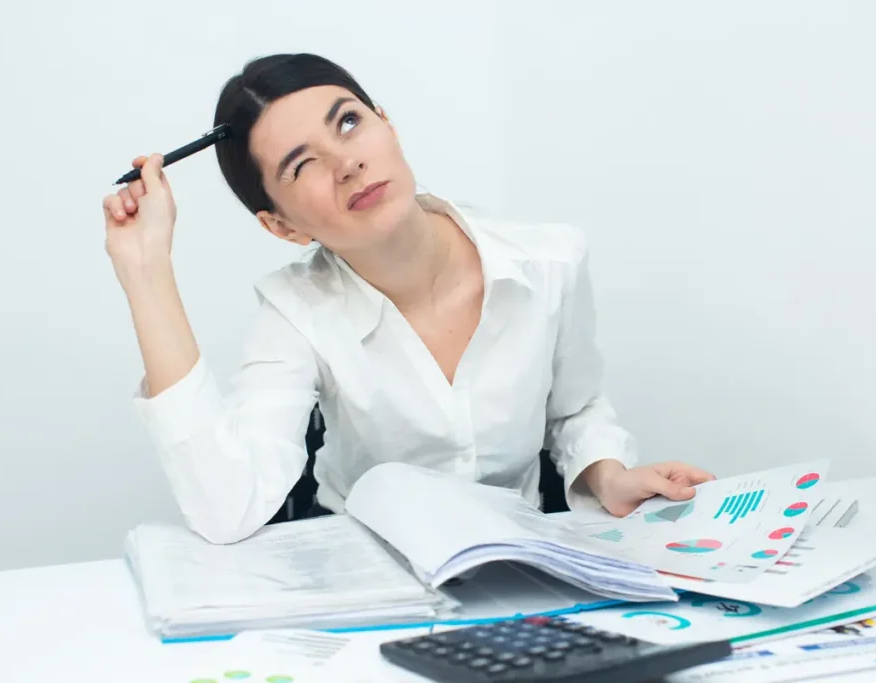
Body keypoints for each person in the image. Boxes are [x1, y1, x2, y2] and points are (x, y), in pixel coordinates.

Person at [102, 53, 714, 544]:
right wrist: (146, 271)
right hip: (367, 569)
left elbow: (575, 411)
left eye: (348, 123)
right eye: (302, 165)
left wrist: (607, 476)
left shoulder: (550, 262)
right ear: (282, 227)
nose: (346, 163)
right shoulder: (295, 309)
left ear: (386, 124)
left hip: (525, 560)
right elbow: (228, 509)